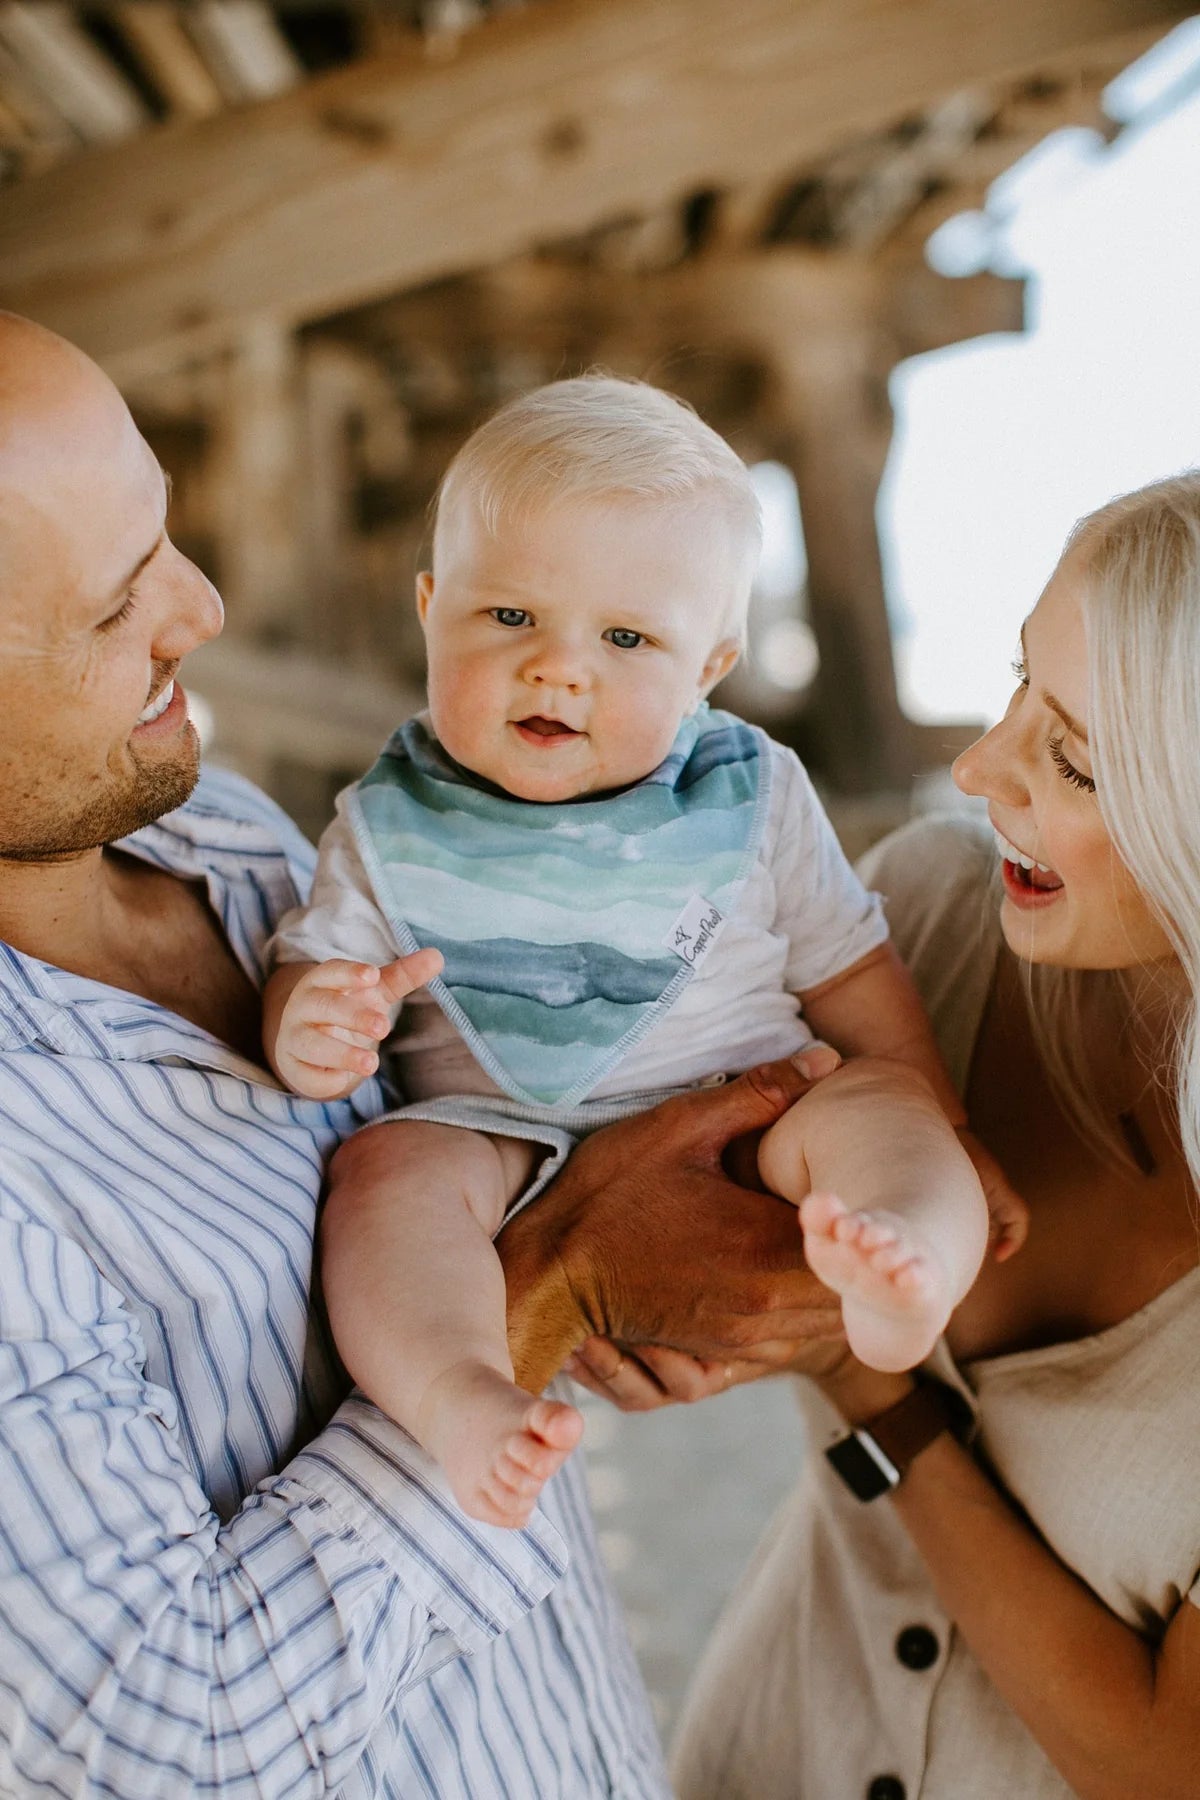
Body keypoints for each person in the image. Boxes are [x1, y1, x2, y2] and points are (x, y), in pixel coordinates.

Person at [0, 310, 847, 1799]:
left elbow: (495, 1158)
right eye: (115, 601)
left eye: (168, 538)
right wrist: (552, 1282)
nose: (199, 608)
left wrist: (666, 1255)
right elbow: (162, 1740)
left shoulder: (242, 844)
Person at [263, 375, 1007, 1528]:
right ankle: (460, 1393)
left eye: (625, 637)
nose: (560, 666)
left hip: (756, 1118)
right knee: (383, 1180)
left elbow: (852, 973)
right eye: (508, 617)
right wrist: (311, 1025)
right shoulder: (388, 822)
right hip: (502, 1146)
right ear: (429, 606)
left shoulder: (747, 794)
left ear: (709, 667)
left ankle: (908, 1270)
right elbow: (315, 970)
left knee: (884, 1109)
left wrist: (949, 1136)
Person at [658, 473, 1200, 1799]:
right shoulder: (928, 920)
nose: (975, 768)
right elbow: (651, 1180)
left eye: (1072, 755)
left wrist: (872, 1399)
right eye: (1018, 685)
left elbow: (1162, 1760)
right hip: (751, 1757)